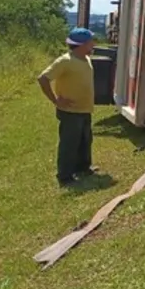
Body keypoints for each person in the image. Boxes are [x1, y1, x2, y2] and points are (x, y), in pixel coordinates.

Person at [37, 27, 98, 186]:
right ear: (82, 44)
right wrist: (56, 100)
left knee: (85, 140)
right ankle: (65, 176)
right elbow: (43, 79)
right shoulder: (65, 61)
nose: (94, 44)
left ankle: (83, 168)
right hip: (70, 111)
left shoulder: (87, 59)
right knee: (69, 143)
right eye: (91, 41)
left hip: (84, 109)